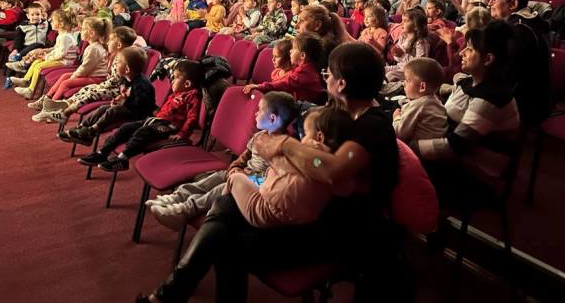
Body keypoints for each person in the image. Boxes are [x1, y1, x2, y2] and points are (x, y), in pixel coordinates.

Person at [137, 42, 404, 303]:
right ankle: (169, 293)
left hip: (336, 228)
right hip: (308, 206)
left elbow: (332, 172)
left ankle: (169, 294)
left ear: (342, 83)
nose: (326, 78)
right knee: (226, 205)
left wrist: (282, 145)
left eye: (329, 74)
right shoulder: (339, 112)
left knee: (227, 238)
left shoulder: (372, 127)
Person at [147, 91, 300, 229]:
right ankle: (174, 198)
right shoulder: (259, 135)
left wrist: (242, 177)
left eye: (259, 110)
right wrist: (235, 167)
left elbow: (270, 179)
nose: (255, 113)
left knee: (219, 189)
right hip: (241, 173)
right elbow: (245, 156)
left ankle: (183, 210)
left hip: (252, 184)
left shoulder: (284, 147)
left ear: (272, 118)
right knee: (213, 178)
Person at [413, 22, 520, 200]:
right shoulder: (472, 81)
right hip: (457, 156)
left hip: (475, 172)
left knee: (399, 162)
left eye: (469, 49)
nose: (461, 53)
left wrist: (411, 146)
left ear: (488, 59)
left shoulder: (491, 98)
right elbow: (452, 93)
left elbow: (455, 146)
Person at [228, 106, 352, 228]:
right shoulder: (338, 166)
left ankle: (224, 198)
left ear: (319, 137)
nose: (302, 140)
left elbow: (274, 172)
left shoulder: (309, 152)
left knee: (234, 178)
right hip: (300, 217)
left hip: (266, 210)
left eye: (305, 134)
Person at [78, 60, 204, 171]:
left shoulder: (192, 97)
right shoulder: (177, 93)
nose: (172, 80)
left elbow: (192, 118)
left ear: (187, 84)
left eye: (175, 78)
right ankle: (102, 153)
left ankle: (122, 159)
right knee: (126, 128)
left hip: (170, 127)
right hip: (156, 120)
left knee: (143, 132)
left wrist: (182, 134)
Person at [62, 47, 156, 146]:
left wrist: (122, 103)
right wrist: (119, 99)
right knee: (103, 108)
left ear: (127, 69)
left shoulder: (142, 84)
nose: (116, 64)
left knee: (113, 110)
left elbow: (140, 106)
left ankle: (91, 132)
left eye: (118, 62)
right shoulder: (126, 79)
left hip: (140, 114)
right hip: (129, 108)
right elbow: (126, 95)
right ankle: (81, 127)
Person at [488, 0, 551, 126]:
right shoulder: (524, 23)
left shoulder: (519, 31)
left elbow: (507, 76)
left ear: (513, 4)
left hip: (525, 106)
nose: (489, 3)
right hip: (527, 98)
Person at [52, 26, 139, 126]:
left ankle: (65, 113)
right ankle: (67, 103)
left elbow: (115, 81)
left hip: (118, 91)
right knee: (88, 88)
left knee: (92, 93)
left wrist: (102, 85)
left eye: (110, 40)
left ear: (119, 45)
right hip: (111, 87)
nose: (108, 43)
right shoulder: (117, 56)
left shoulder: (123, 60)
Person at [32, 16, 111, 122]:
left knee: (66, 83)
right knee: (65, 76)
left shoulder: (94, 49)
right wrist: (74, 75)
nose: (80, 30)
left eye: (83, 29)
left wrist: (74, 76)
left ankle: (50, 109)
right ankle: (47, 98)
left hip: (97, 78)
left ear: (91, 33)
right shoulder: (93, 46)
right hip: (91, 75)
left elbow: (85, 68)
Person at [9, 10, 80, 99]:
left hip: (65, 61)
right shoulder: (62, 35)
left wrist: (46, 57)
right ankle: (25, 80)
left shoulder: (65, 37)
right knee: (37, 61)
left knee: (39, 66)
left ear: (61, 24)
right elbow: (56, 49)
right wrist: (45, 52)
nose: (51, 22)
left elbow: (60, 54)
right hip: (61, 59)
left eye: (53, 20)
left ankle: (30, 91)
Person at [243, 32, 324, 102]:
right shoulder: (304, 68)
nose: (290, 51)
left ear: (302, 56)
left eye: (293, 49)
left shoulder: (304, 72)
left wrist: (260, 86)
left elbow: (285, 83)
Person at [392, 58, 448, 144]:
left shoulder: (417, 106)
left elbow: (399, 134)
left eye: (407, 80)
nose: (403, 83)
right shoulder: (437, 102)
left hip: (416, 148)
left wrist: (396, 118)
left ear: (422, 87)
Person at [386, 7, 430, 82]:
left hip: (413, 72)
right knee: (381, 69)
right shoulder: (403, 37)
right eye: (402, 20)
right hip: (400, 67)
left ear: (416, 26)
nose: (402, 23)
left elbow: (420, 65)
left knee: (390, 75)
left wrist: (402, 55)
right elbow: (398, 60)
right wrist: (396, 53)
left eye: (405, 21)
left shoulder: (421, 42)